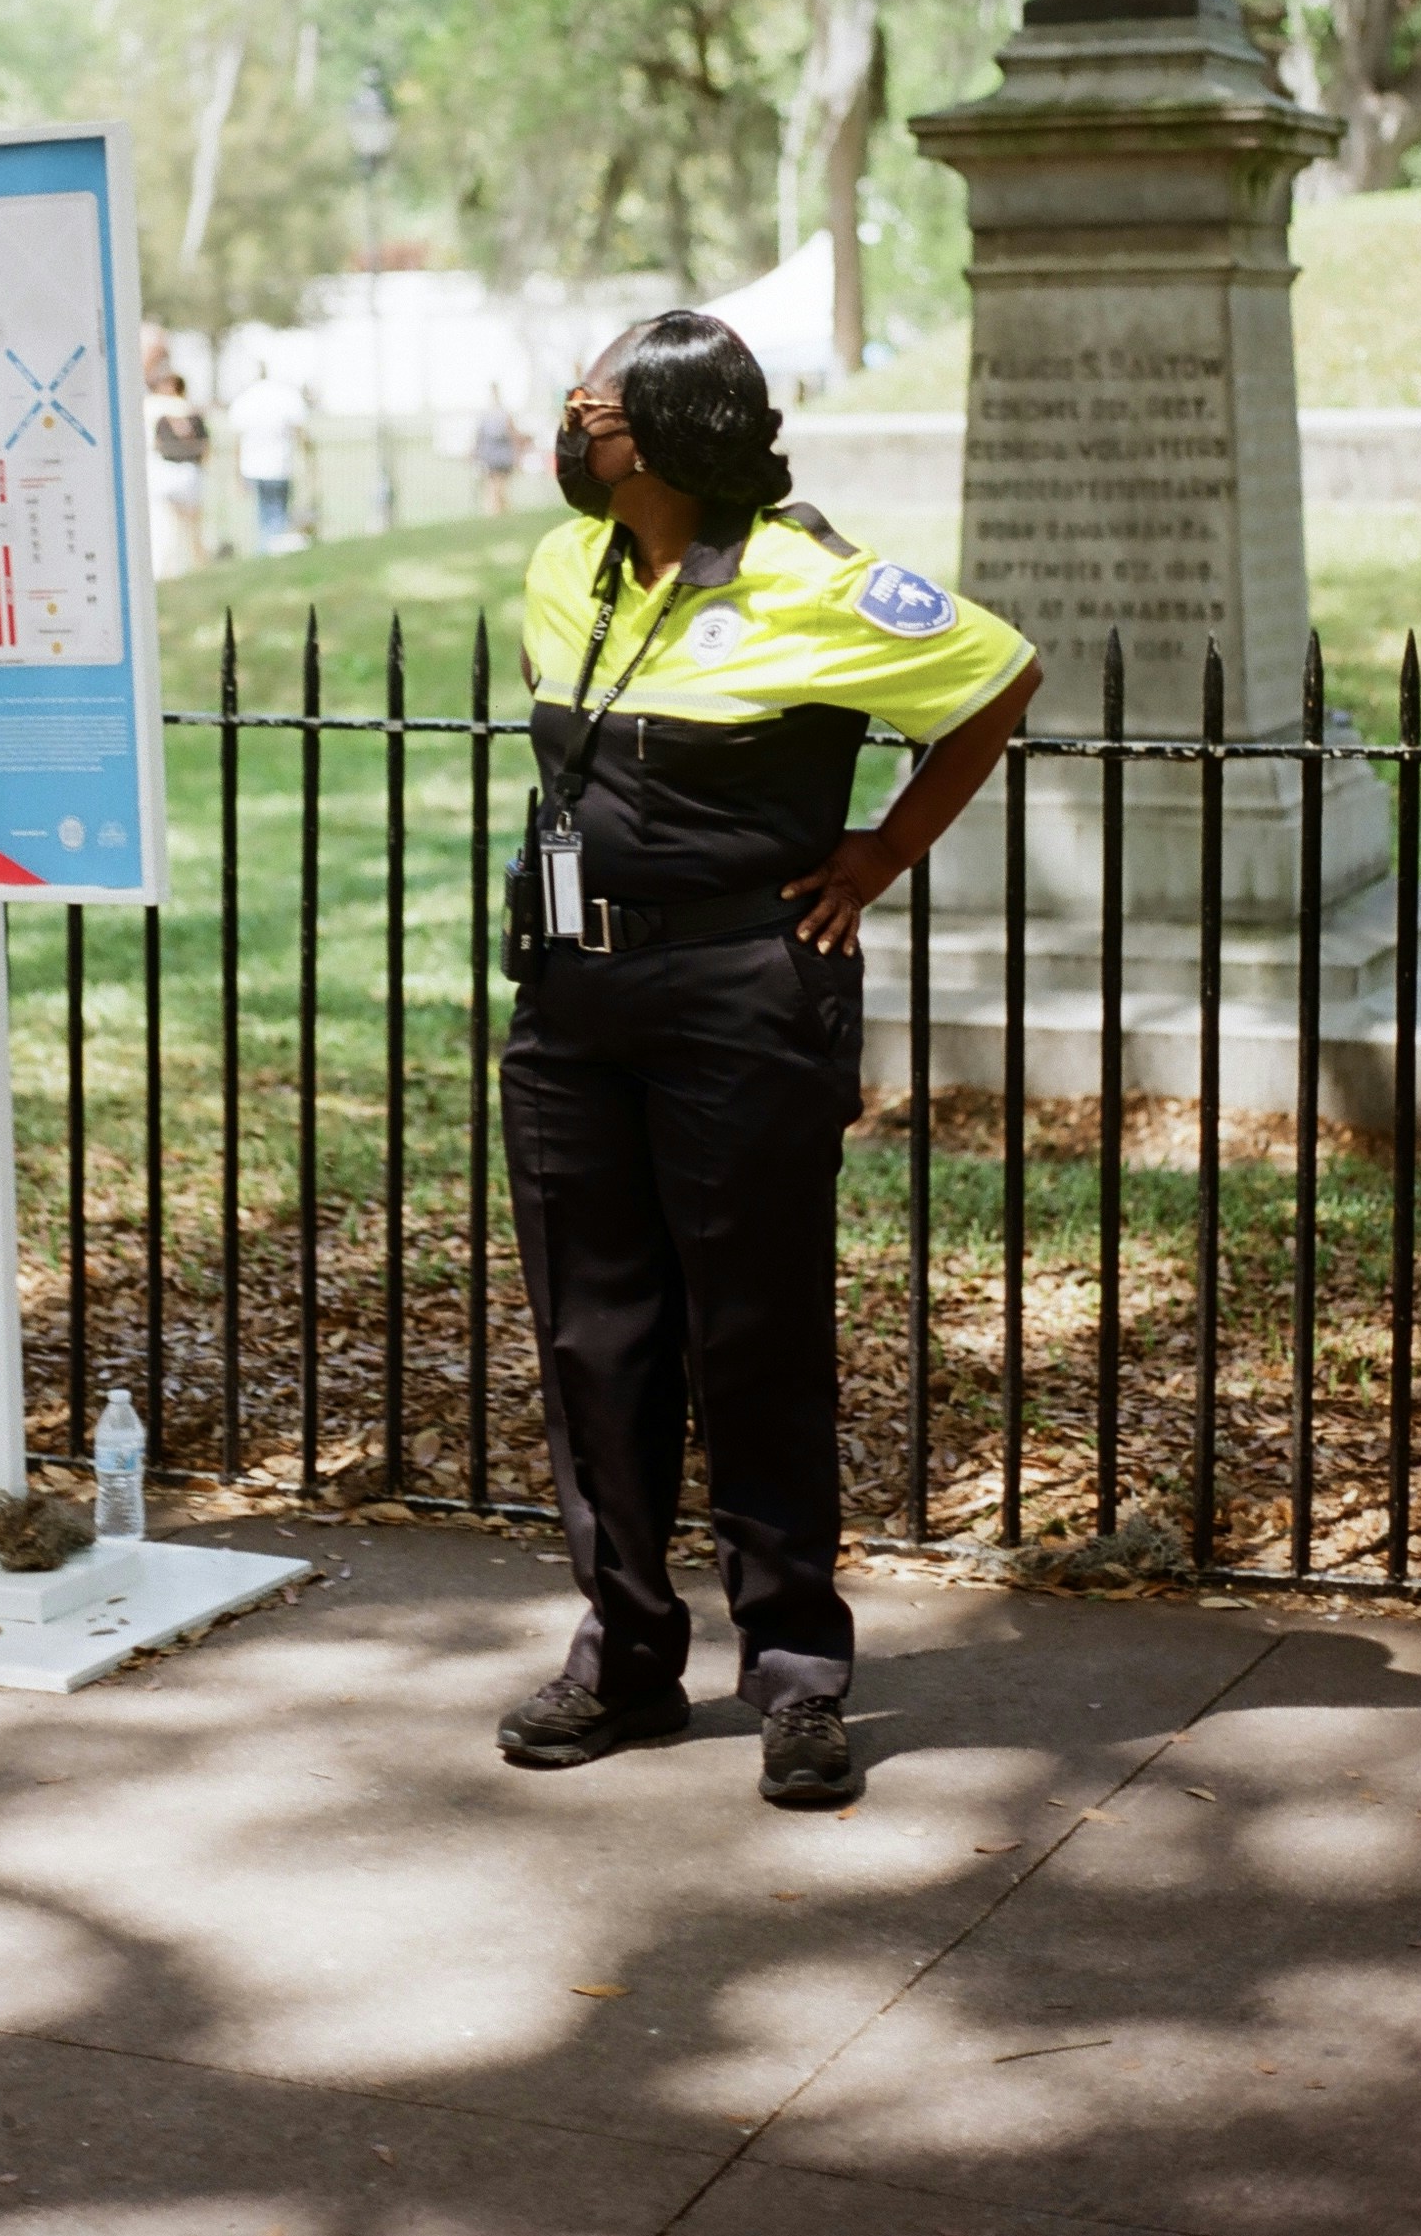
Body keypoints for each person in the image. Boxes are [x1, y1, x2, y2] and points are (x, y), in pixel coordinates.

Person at [496, 310, 1040, 1806]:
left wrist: (878, 854)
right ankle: (627, 1654)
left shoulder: (819, 580)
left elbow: (999, 674)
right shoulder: (569, 567)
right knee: (594, 1344)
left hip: (744, 997)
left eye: (588, 410)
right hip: (571, 1000)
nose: (567, 428)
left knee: (754, 1333)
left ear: (665, 435)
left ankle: (799, 1673)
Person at [228, 363, 306, 554]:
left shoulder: (245, 399)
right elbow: (300, 431)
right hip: (279, 467)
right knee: (276, 517)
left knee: (267, 517)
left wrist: (237, 476)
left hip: (253, 468)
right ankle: (269, 554)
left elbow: (237, 441)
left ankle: (266, 553)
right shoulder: (285, 396)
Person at [146, 372, 211, 578]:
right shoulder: (187, 412)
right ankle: (178, 569)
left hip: (172, 471)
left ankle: (180, 569)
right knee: (177, 527)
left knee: (179, 526)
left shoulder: (160, 409)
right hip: (178, 471)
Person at [472, 386, 522, 517]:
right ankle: (496, 511)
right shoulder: (485, 415)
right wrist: (474, 453)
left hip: (502, 456)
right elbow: (478, 437)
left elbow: (513, 436)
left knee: (499, 485)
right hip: (490, 456)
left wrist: (517, 455)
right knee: (494, 485)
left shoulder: (504, 414)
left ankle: (498, 511)